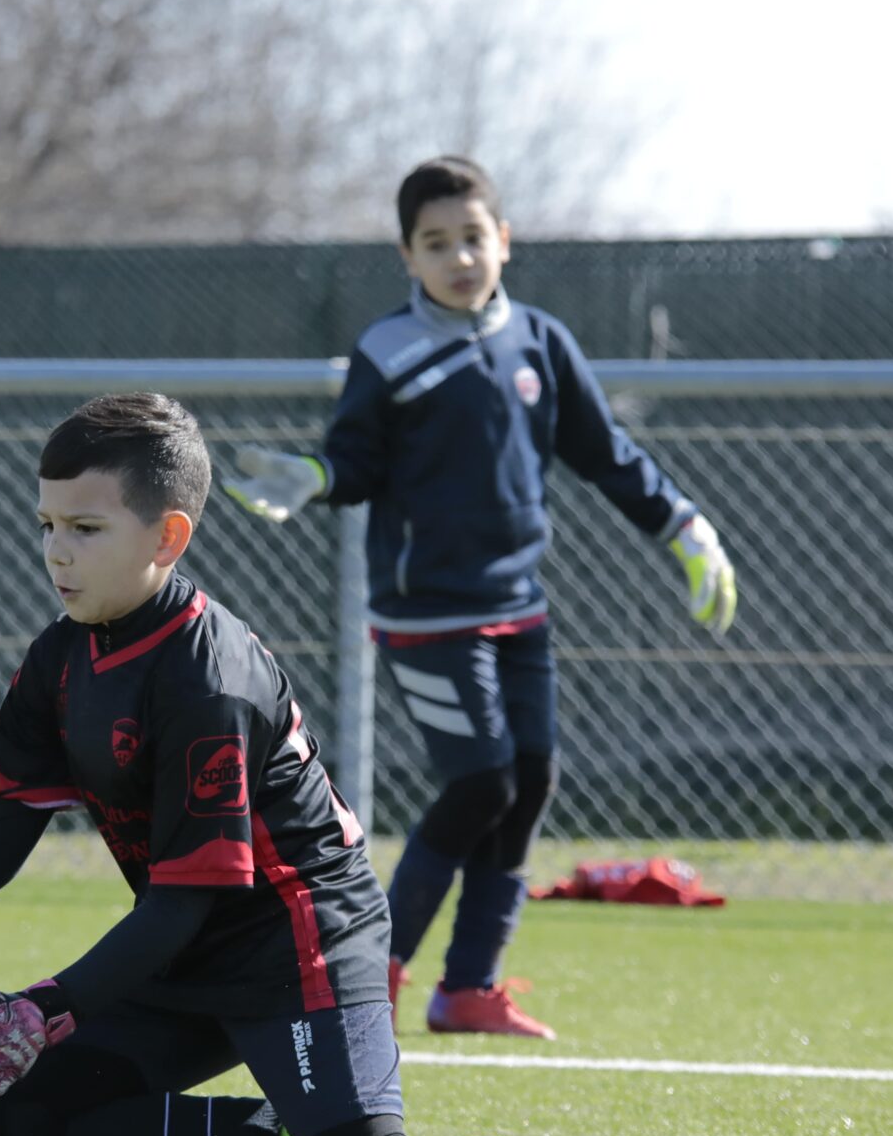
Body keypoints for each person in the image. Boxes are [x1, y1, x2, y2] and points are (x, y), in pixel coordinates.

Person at [0, 393, 780, 1136]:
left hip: (299, 943)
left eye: (84, 529)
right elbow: (7, 826)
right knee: (23, 1127)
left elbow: (191, 896)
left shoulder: (205, 673)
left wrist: (46, 1005)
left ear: (167, 535)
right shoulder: (58, 657)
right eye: (45, 524)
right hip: (192, 944)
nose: (56, 551)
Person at [223, 156, 739, 1040]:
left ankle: (469, 989)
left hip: (518, 605)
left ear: (504, 240)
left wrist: (686, 526)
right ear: (407, 256)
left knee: (529, 780)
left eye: (473, 237)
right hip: (426, 614)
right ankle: (364, 973)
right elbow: (355, 461)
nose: (459, 255)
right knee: (480, 784)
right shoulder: (389, 351)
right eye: (436, 243)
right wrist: (313, 474)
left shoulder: (540, 340)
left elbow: (607, 453)